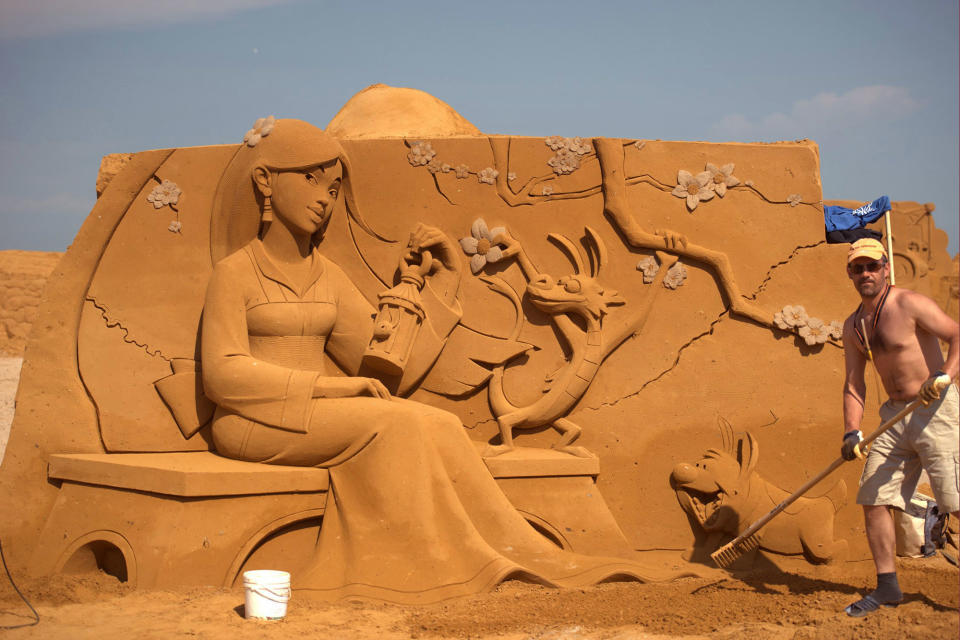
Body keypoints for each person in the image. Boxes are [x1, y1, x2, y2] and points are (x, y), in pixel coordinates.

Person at [201, 117, 690, 603]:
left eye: (332, 187)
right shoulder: (235, 274)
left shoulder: (327, 277)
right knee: (398, 425)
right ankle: (418, 566)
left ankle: (500, 548)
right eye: (310, 179)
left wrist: (445, 282)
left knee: (437, 422)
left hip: (320, 415)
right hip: (252, 421)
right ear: (266, 180)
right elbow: (222, 375)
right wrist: (331, 387)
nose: (323, 198)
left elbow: (386, 371)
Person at [839, 238, 959, 617]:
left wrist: (944, 375)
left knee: (956, 502)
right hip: (893, 417)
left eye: (872, 266)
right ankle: (888, 587)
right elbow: (854, 383)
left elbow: (957, 335)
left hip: (935, 408)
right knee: (874, 497)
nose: (866, 274)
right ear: (850, 274)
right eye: (858, 268)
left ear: (886, 267)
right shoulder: (854, 325)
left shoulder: (909, 303)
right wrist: (851, 431)